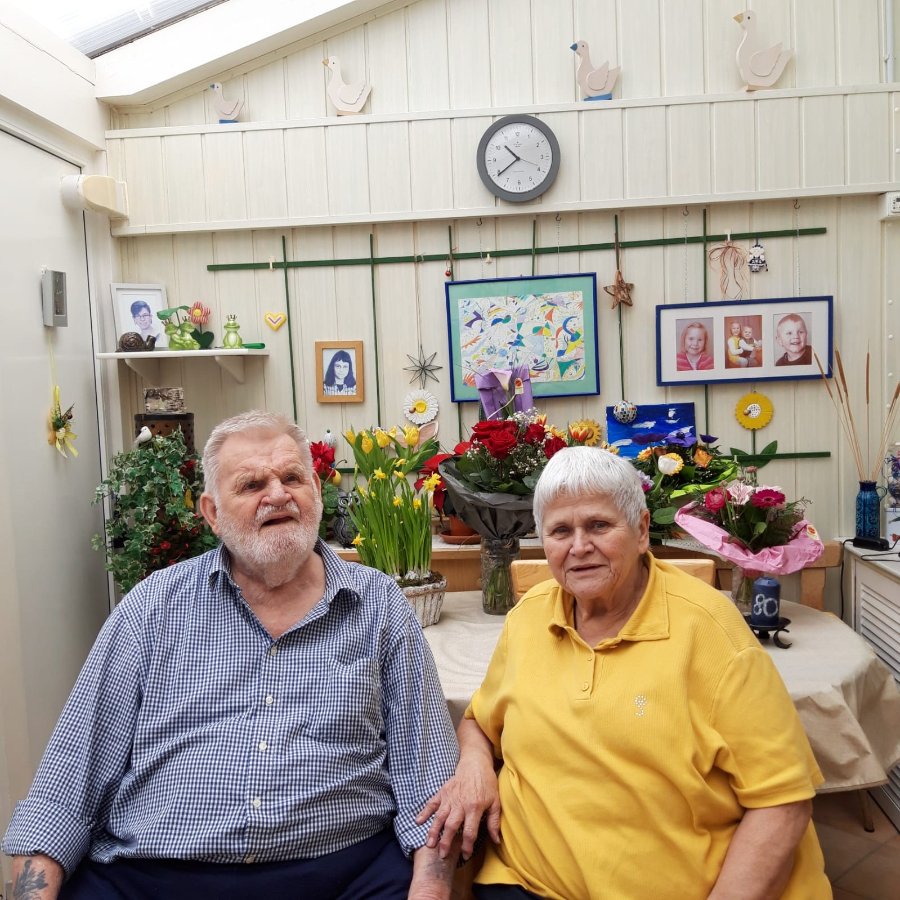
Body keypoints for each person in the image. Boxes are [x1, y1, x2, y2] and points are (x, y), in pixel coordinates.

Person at [3, 410, 460, 900]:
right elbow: (66, 786)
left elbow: (428, 783)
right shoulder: (153, 606)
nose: (278, 495)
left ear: (316, 491)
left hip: (343, 873)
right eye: (251, 485)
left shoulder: (379, 605)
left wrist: (429, 891)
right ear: (212, 513)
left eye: (292, 478)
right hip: (151, 875)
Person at [419, 446, 830, 900]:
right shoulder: (529, 616)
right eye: (560, 530)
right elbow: (480, 720)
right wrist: (475, 768)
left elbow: (783, 801)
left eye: (598, 525)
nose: (579, 547)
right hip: (523, 881)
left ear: (641, 530)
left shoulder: (711, 631)